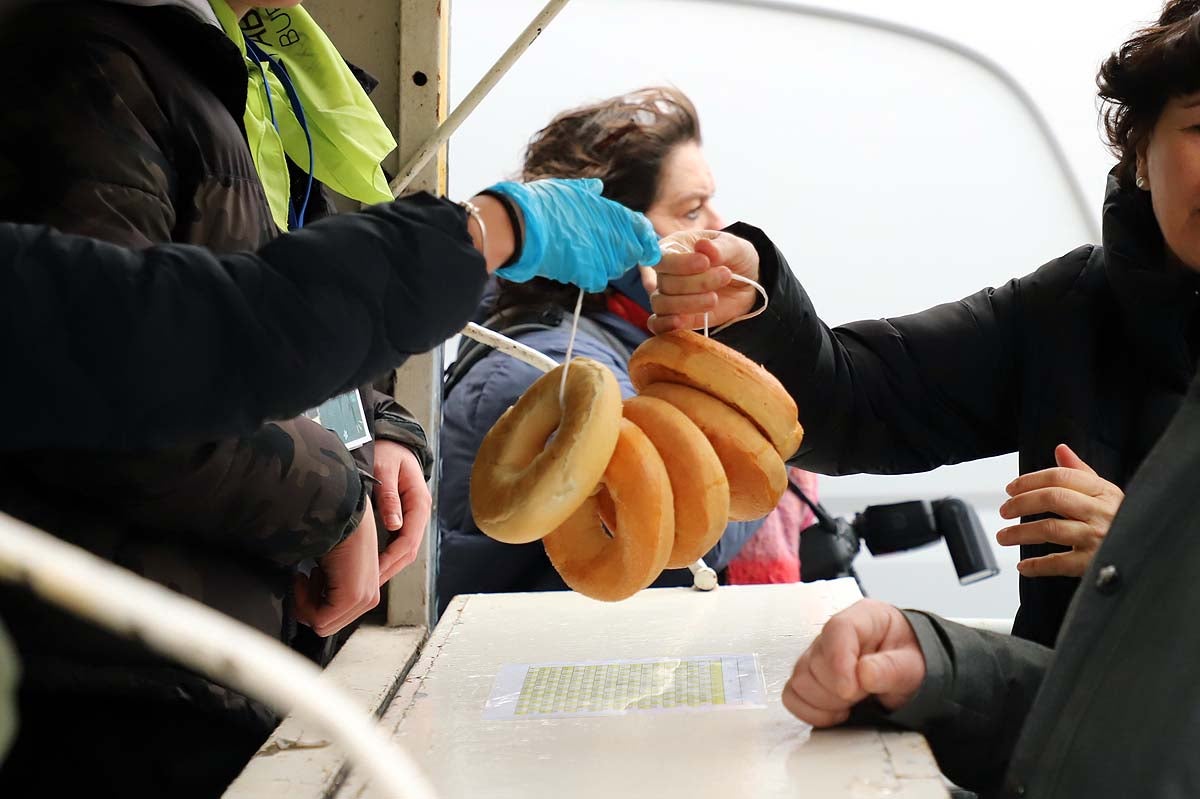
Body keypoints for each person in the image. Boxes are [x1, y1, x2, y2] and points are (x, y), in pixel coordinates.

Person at [0, 2, 660, 793]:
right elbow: (137, 372)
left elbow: (272, 295)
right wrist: (335, 497)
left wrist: (379, 433)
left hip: (240, 667)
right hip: (114, 691)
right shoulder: (92, 70)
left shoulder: (254, 83)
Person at [645, 0, 1200, 649]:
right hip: (1061, 746)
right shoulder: (1067, 310)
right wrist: (751, 296)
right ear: (1139, 148)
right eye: (1199, 126)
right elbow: (856, 399)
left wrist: (1146, 555)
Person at [438, 87, 817, 615]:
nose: (717, 223)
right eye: (690, 210)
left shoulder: (626, 341)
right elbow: (668, 528)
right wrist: (763, 431)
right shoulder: (541, 371)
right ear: (611, 235)